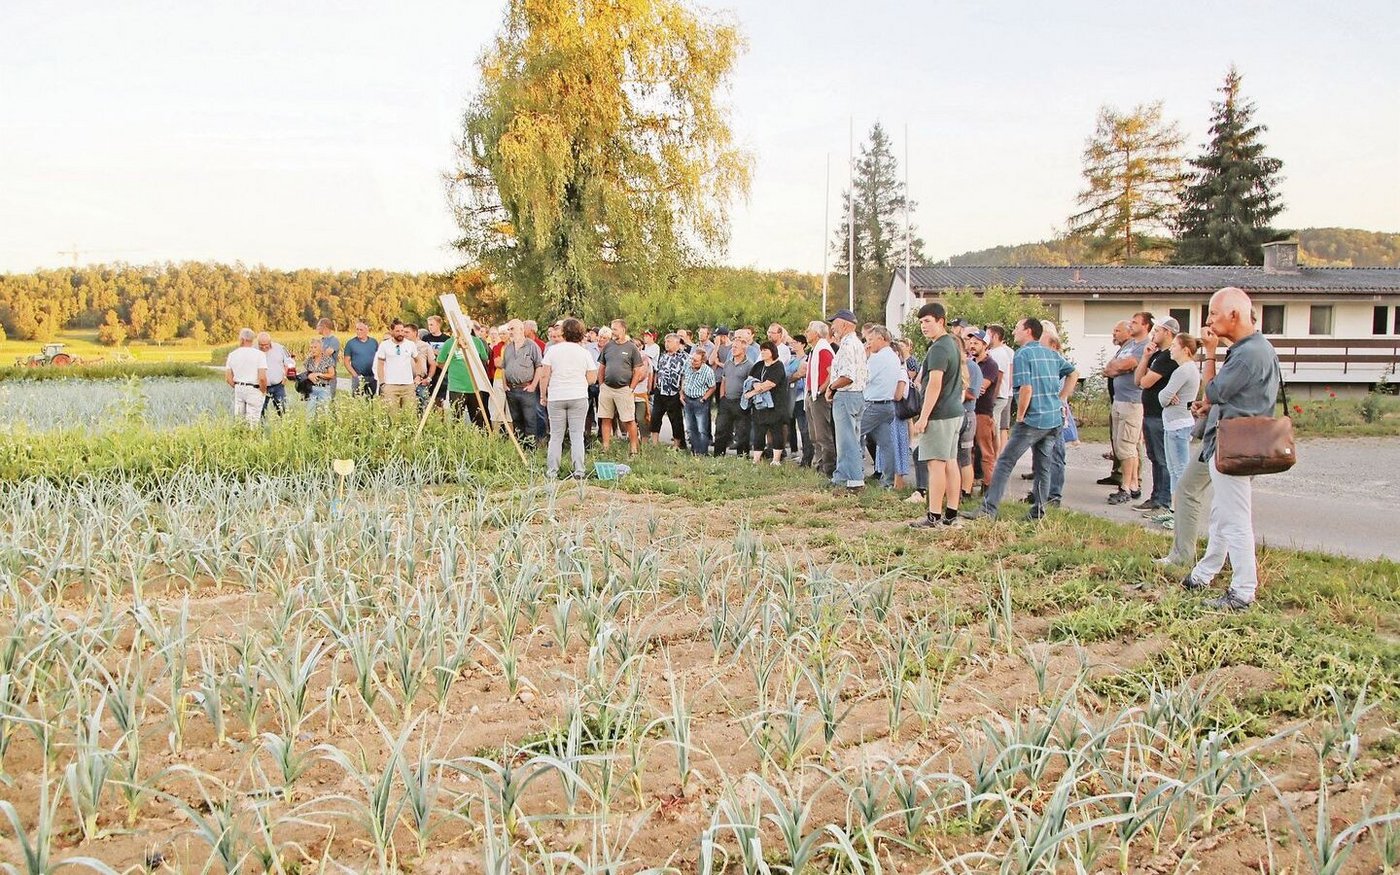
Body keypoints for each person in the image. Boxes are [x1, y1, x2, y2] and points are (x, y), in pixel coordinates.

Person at [1183, 288, 1280, 611]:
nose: (1208, 321)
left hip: (1234, 445)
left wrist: (1210, 354)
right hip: (1234, 440)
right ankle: (1203, 573)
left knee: (1234, 519)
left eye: (1213, 314)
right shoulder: (1254, 348)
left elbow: (1214, 390)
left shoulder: (1249, 353)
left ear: (1234, 315)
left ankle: (1242, 591)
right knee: (1221, 515)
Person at [964, 318, 1079, 522]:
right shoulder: (1050, 353)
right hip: (1053, 419)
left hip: (1033, 419)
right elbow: (1074, 373)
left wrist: (1021, 416)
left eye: (1017, 328)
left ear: (1028, 331)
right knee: (1043, 466)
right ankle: (1038, 512)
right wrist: (1060, 398)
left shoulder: (1023, 354)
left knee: (1005, 462)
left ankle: (988, 510)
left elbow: (1026, 388)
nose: (1014, 332)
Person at [908, 303, 965, 527]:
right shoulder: (951, 343)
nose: (923, 326)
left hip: (940, 414)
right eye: (921, 322)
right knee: (950, 462)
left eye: (928, 321)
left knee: (936, 465)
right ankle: (951, 513)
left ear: (941, 321)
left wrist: (923, 417)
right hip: (953, 412)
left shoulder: (939, 348)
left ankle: (934, 516)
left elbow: (934, 383)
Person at [539, 318, 598, 479]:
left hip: (557, 396)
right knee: (577, 435)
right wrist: (579, 383)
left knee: (556, 436)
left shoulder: (553, 351)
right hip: (578, 396)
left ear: (563, 332)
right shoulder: (584, 352)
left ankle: (552, 471)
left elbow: (544, 375)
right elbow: (592, 378)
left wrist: (543, 395)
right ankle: (579, 470)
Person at [1154, 332, 1202, 531]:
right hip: (1172, 423)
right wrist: (1167, 395)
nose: (1170, 349)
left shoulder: (1183, 371)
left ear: (1185, 350)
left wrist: (1168, 395)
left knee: (1179, 469)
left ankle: (1180, 515)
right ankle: (1174, 509)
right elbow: (1166, 396)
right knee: (1173, 469)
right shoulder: (1184, 369)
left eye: (1174, 345)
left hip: (1178, 424)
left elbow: (1163, 398)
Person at [1134, 316, 1181, 512]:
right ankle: (1155, 496)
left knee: (1162, 458)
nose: (1153, 334)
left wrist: (1146, 375)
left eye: (1157, 331)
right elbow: (1137, 381)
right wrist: (1145, 357)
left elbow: (1146, 382)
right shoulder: (1155, 355)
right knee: (1154, 456)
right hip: (1150, 412)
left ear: (1168, 333)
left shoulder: (1168, 356)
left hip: (1161, 415)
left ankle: (1163, 499)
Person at [1105, 312, 1152, 504]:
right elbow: (1109, 367)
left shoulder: (1143, 347)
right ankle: (1131, 483)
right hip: (1119, 400)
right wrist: (1116, 367)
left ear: (1146, 326)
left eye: (1135, 322)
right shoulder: (1129, 345)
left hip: (1132, 402)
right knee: (1120, 445)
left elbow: (1128, 364)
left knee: (1127, 446)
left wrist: (1118, 367)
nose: (1131, 325)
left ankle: (1127, 486)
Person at [859, 325, 908, 489]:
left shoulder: (878, 358)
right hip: (887, 405)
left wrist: (865, 357)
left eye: (870, 340)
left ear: (881, 338)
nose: (868, 343)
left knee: (853, 434)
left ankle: (854, 474)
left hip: (874, 404)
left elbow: (864, 376)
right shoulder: (894, 357)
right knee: (886, 444)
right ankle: (888, 481)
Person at [826, 310, 868, 494]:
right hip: (858, 395)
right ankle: (843, 476)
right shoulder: (857, 343)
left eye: (834, 323)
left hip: (847, 394)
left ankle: (853, 480)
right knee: (852, 438)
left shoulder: (847, 345)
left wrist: (832, 387)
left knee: (846, 440)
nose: (832, 328)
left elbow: (847, 376)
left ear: (844, 324)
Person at [597, 319, 644, 456]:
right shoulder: (608, 346)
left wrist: (631, 388)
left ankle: (634, 449)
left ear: (623, 330)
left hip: (624, 388)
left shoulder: (631, 348)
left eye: (615, 329)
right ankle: (605, 448)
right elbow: (602, 367)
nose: (613, 332)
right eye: (612, 329)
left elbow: (638, 370)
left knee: (628, 420)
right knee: (605, 418)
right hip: (607, 388)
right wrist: (601, 385)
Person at [966, 330, 1002, 491]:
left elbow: (981, 388)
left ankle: (989, 486)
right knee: (969, 449)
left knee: (986, 450)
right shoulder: (970, 363)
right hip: (970, 410)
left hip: (983, 412)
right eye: (971, 342)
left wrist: (968, 387)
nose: (972, 346)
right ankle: (968, 484)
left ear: (985, 345)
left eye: (976, 343)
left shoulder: (991, 365)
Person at [436, 329, 491, 426]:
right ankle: (458, 440)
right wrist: (451, 370)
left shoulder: (476, 342)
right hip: (456, 387)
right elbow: (440, 361)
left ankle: (482, 440)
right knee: (457, 419)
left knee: (479, 419)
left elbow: (484, 358)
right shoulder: (450, 343)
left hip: (474, 386)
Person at [713, 328, 755, 456]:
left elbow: (750, 385)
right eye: (733, 347)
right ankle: (718, 455)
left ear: (744, 348)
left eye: (736, 347)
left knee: (742, 431)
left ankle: (742, 455)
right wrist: (722, 397)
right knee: (721, 429)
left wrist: (746, 400)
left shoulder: (750, 365)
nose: (734, 349)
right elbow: (724, 381)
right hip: (727, 400)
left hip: (740, 401)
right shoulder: (728, 363)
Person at [502, 319, 543, 444]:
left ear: (521, 329)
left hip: (526, 389)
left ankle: (531, 449)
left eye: (512, 329)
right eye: (509, 329)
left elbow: (539, 367)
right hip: (511, 389)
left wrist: (533, 385)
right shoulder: (508, 348)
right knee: (516, 420)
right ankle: (520, 447)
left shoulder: (531, 346)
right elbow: (504, 368)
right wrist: (504, 385)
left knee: (529, 420)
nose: (510, 332)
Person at [805, 321, 836, 476]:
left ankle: (828, 469)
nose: (806, 332)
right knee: (814, 435)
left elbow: (832, 373)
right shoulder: (814, 350)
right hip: (812, 394)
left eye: (809, 330)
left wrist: (821, 389)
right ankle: (818, 466)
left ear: (816, 333)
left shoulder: (823, 350)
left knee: (822, 435)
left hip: (819, 397)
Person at [650, 333, 689, 450]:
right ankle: (654, 443)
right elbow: (658, 372)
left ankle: (677, 444)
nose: (667, 344)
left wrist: (682, 392)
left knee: (675, 419)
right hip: (660, 390)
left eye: (670, 342)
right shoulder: (663, 356)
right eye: (666, 342)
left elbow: (684, 376)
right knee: (655, 416)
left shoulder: (684, 357)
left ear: (677, 343)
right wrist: (655, 385)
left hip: (674, 392)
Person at [375, 320, 423, 411]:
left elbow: (418, 360)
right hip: (391, 386)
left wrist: (418, 376)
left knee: (409, 414)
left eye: (402, 331)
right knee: (393, 416)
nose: (401, 333)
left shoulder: (410, 345)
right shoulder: (384, 345)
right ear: (391, 331)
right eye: (397, 331)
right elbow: (380, 364)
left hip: (408, 386)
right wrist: (382, 383)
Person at [225, 328, 268, 426]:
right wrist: (263, 391)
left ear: (242, 339)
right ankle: (251, 439)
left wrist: (237, 386)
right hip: (254, 389)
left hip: (239, 388)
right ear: (252, 340)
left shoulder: (232, 355)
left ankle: (240, 438)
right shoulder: (259, 355)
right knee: (253, 422)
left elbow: (228, 377)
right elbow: (262, 378)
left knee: (239, 420)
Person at [681, 347, 717, 456]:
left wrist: (704, 398)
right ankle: (694, 450)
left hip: (699, 400)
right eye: (692, 359)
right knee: (690, 428)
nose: (693, 362)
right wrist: (681, 393)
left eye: (696, 361)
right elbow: (684, 377)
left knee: (702, 428)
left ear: (703, 361)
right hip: (687, 399)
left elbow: (712, 387)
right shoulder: (688, 364)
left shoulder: (708, 371)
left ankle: (702, 452)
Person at [985, 324, 1014, 451]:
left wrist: (993, 396)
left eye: (988, 334)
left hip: (998, 396)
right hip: (996, 396)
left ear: (995, 336)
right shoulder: (992, 352)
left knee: (994, 426)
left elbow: (999, 377)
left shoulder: (1000, 353)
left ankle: (995, 456)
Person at [256, 332, 293, 417]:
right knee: (260, 412)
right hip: (261, 387)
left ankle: (283, 428)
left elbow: (289, 363)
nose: (264, 347)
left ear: (270, 342)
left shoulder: (280, 348)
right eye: (261, 345)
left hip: (278, 386)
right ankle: (262, 429)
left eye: (266, 344)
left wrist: (285, 377)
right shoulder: (254, 350)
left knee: (282, 411)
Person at [787, 336, 810, 465]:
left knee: (804, 428)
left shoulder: (807, 359)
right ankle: (794, 450)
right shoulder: (791, 360)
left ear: (803, 344)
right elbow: (786, 376)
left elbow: (802, 377)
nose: (793, 345)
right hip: (791, 397)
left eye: (795, 342)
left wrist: (794, 377)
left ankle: (807, 457)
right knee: (790, 426)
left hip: (801, 397)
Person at [344, 321, 379, 397]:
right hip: (358, 377)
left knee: (370, 401)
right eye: (357, 329)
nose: (358, 331)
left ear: (367, 330)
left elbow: (378, 359)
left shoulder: (374, 342)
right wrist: (355, 375)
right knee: (357, 400)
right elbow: (346, 362)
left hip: (372, 377)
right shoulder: (351, 343)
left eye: (361, 329)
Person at [303, 338, 336, 416]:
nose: (312, 349)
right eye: (311, 347)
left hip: (323, 389)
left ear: (321, 348)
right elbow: (304, 374)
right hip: (311, 389)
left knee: (325, 414)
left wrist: (319, 374)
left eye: (315, 347)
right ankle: (310, 428)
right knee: (309, 414)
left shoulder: (327, 359)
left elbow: (331, 375)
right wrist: (309, 375)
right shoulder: (309, 360)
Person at [314, 318, 340, 395]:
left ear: (324, 327)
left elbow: (327, 354)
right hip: (319, 375)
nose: (316, 328)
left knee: (328, 401)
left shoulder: (334, 340)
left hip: (329, 376)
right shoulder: (321, 340)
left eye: (318, 326)